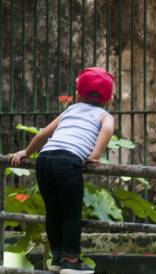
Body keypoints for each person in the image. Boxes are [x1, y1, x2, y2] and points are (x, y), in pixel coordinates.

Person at [10, 67, 115, 274]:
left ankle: (57, 257)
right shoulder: (104, 115)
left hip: (44, 161)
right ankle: (71, 261)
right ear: (110, 100)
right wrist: (94, 156)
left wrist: (26, 151)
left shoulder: (70, 110)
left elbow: (43, 134)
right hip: (68, 162)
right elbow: (108, 130)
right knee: (71, 214)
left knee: (54, 212)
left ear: (77, 95)